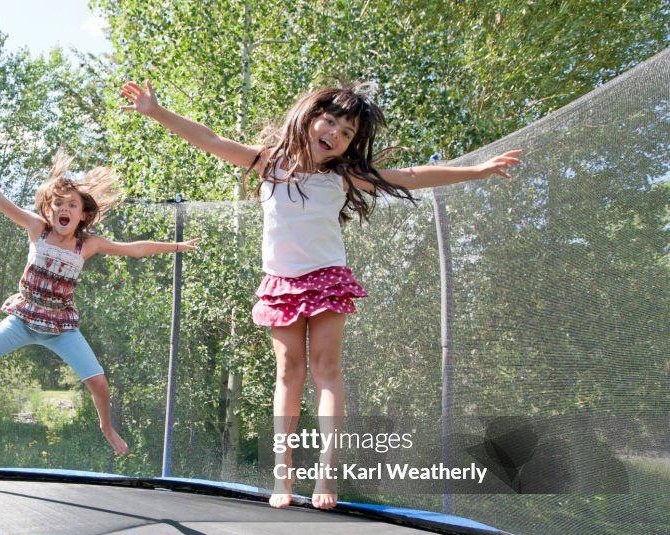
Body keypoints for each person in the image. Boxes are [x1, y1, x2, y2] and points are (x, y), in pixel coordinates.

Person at [120, 80, 520, 509]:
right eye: (330, 122)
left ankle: (327, 470)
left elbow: (409, 177)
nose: (335, 134)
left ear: (351, 145)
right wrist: (156, 111)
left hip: (326, 277)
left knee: (326, 368)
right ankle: (283, 472)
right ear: (310, 118)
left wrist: (475, 171)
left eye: (347, 133)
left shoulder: (344, 176)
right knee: (289, 372)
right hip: (282, 282)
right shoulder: (268, 162)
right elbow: (210, 139)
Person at [0, 135, 200, 456]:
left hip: (62, 327)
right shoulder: (37, 228)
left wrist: (176, 246)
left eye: (72, 205)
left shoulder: (87, 244)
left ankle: (106, 427)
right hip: (24, 318)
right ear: (49, 209)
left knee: (99, 383)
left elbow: (135, 250)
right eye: (58, 203)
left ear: (83, 215)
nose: (65, 208)